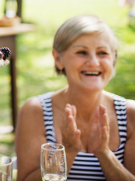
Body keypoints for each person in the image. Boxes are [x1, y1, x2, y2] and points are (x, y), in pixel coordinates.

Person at [16, 15, 135, 180]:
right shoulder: (36, 111)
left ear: (113, 58)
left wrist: (104, 154)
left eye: (102, 53)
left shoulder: (130, 114)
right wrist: (69, 151)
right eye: (82, 52)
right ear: (58, 59)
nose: (93, 62)